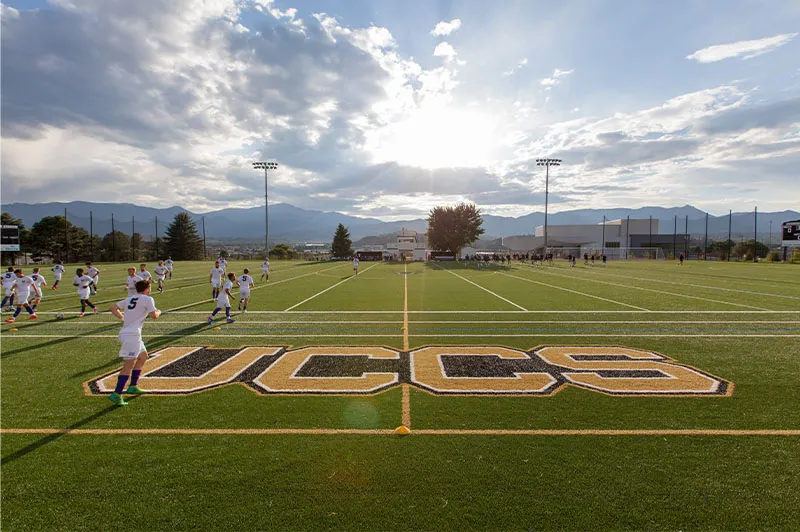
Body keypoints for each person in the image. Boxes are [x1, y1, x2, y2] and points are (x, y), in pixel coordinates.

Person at [107, 278, 161, 406]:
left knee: (143, 356)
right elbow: (154, 316)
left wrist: (123, 317)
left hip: (129, 333)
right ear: (147, 289)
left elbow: (113, 308)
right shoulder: (148, 299)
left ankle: (133, 386)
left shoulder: (130, 298)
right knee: (128, 365)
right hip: (132, 335)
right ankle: (117, 393)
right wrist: (159, 311)